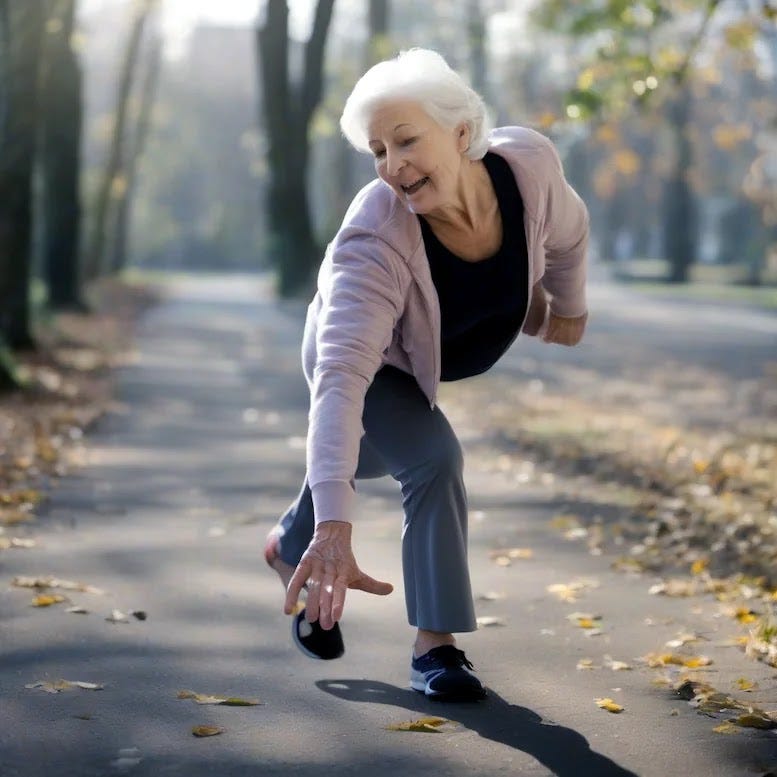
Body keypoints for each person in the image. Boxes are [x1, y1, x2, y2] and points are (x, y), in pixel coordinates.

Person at [264, 48, 589, 702]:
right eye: (378, 150)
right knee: (430, 457)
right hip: (363, 362)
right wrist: (337, 527)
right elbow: (339, 383)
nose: (391, 165)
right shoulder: (373, 239)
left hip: (427, 358)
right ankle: (434, 649)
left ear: (462, 132)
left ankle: (287, 541)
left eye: (405, 139)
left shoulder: (525, 166)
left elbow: (568, 232)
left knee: (380, 455)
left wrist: (569, 305)